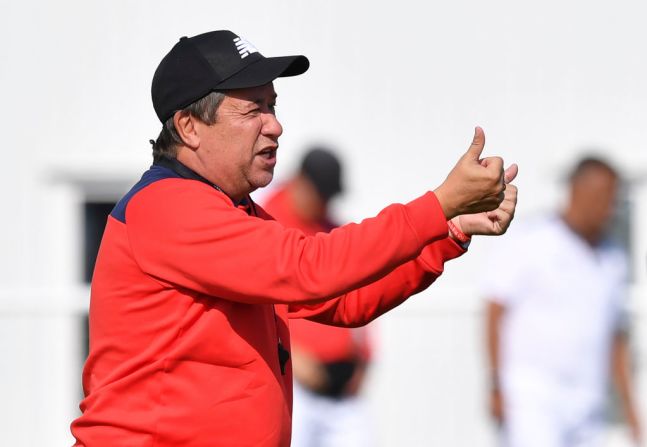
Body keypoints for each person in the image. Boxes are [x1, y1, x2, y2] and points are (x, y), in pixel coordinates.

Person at [70, 29, 519, 447]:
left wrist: (449, 230)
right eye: (253, 109)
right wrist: (438, 204)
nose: (274, 125)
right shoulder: (167, 205)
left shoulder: (227, 210)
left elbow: (347, 298)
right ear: (188, 127)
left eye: (273, 105)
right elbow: (311, 269)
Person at [483, 157, 640, 447]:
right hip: (533, 399)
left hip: (588, 403)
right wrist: (496, 383)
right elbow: (495, 310)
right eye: (604, 197)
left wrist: (631, 407)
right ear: (578, 192)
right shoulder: (531, 240)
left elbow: (614, 336)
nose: (610, 208)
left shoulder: (613, 258)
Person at [263, 147, 374, 447]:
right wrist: (290, 353)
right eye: (321, 193)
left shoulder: (332, 228)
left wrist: (365, 358)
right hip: (294, 381)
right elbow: (255, 302)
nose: (325, 203)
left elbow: (359, 293)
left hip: (343, 385)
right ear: (301, 182)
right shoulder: (267, 222)